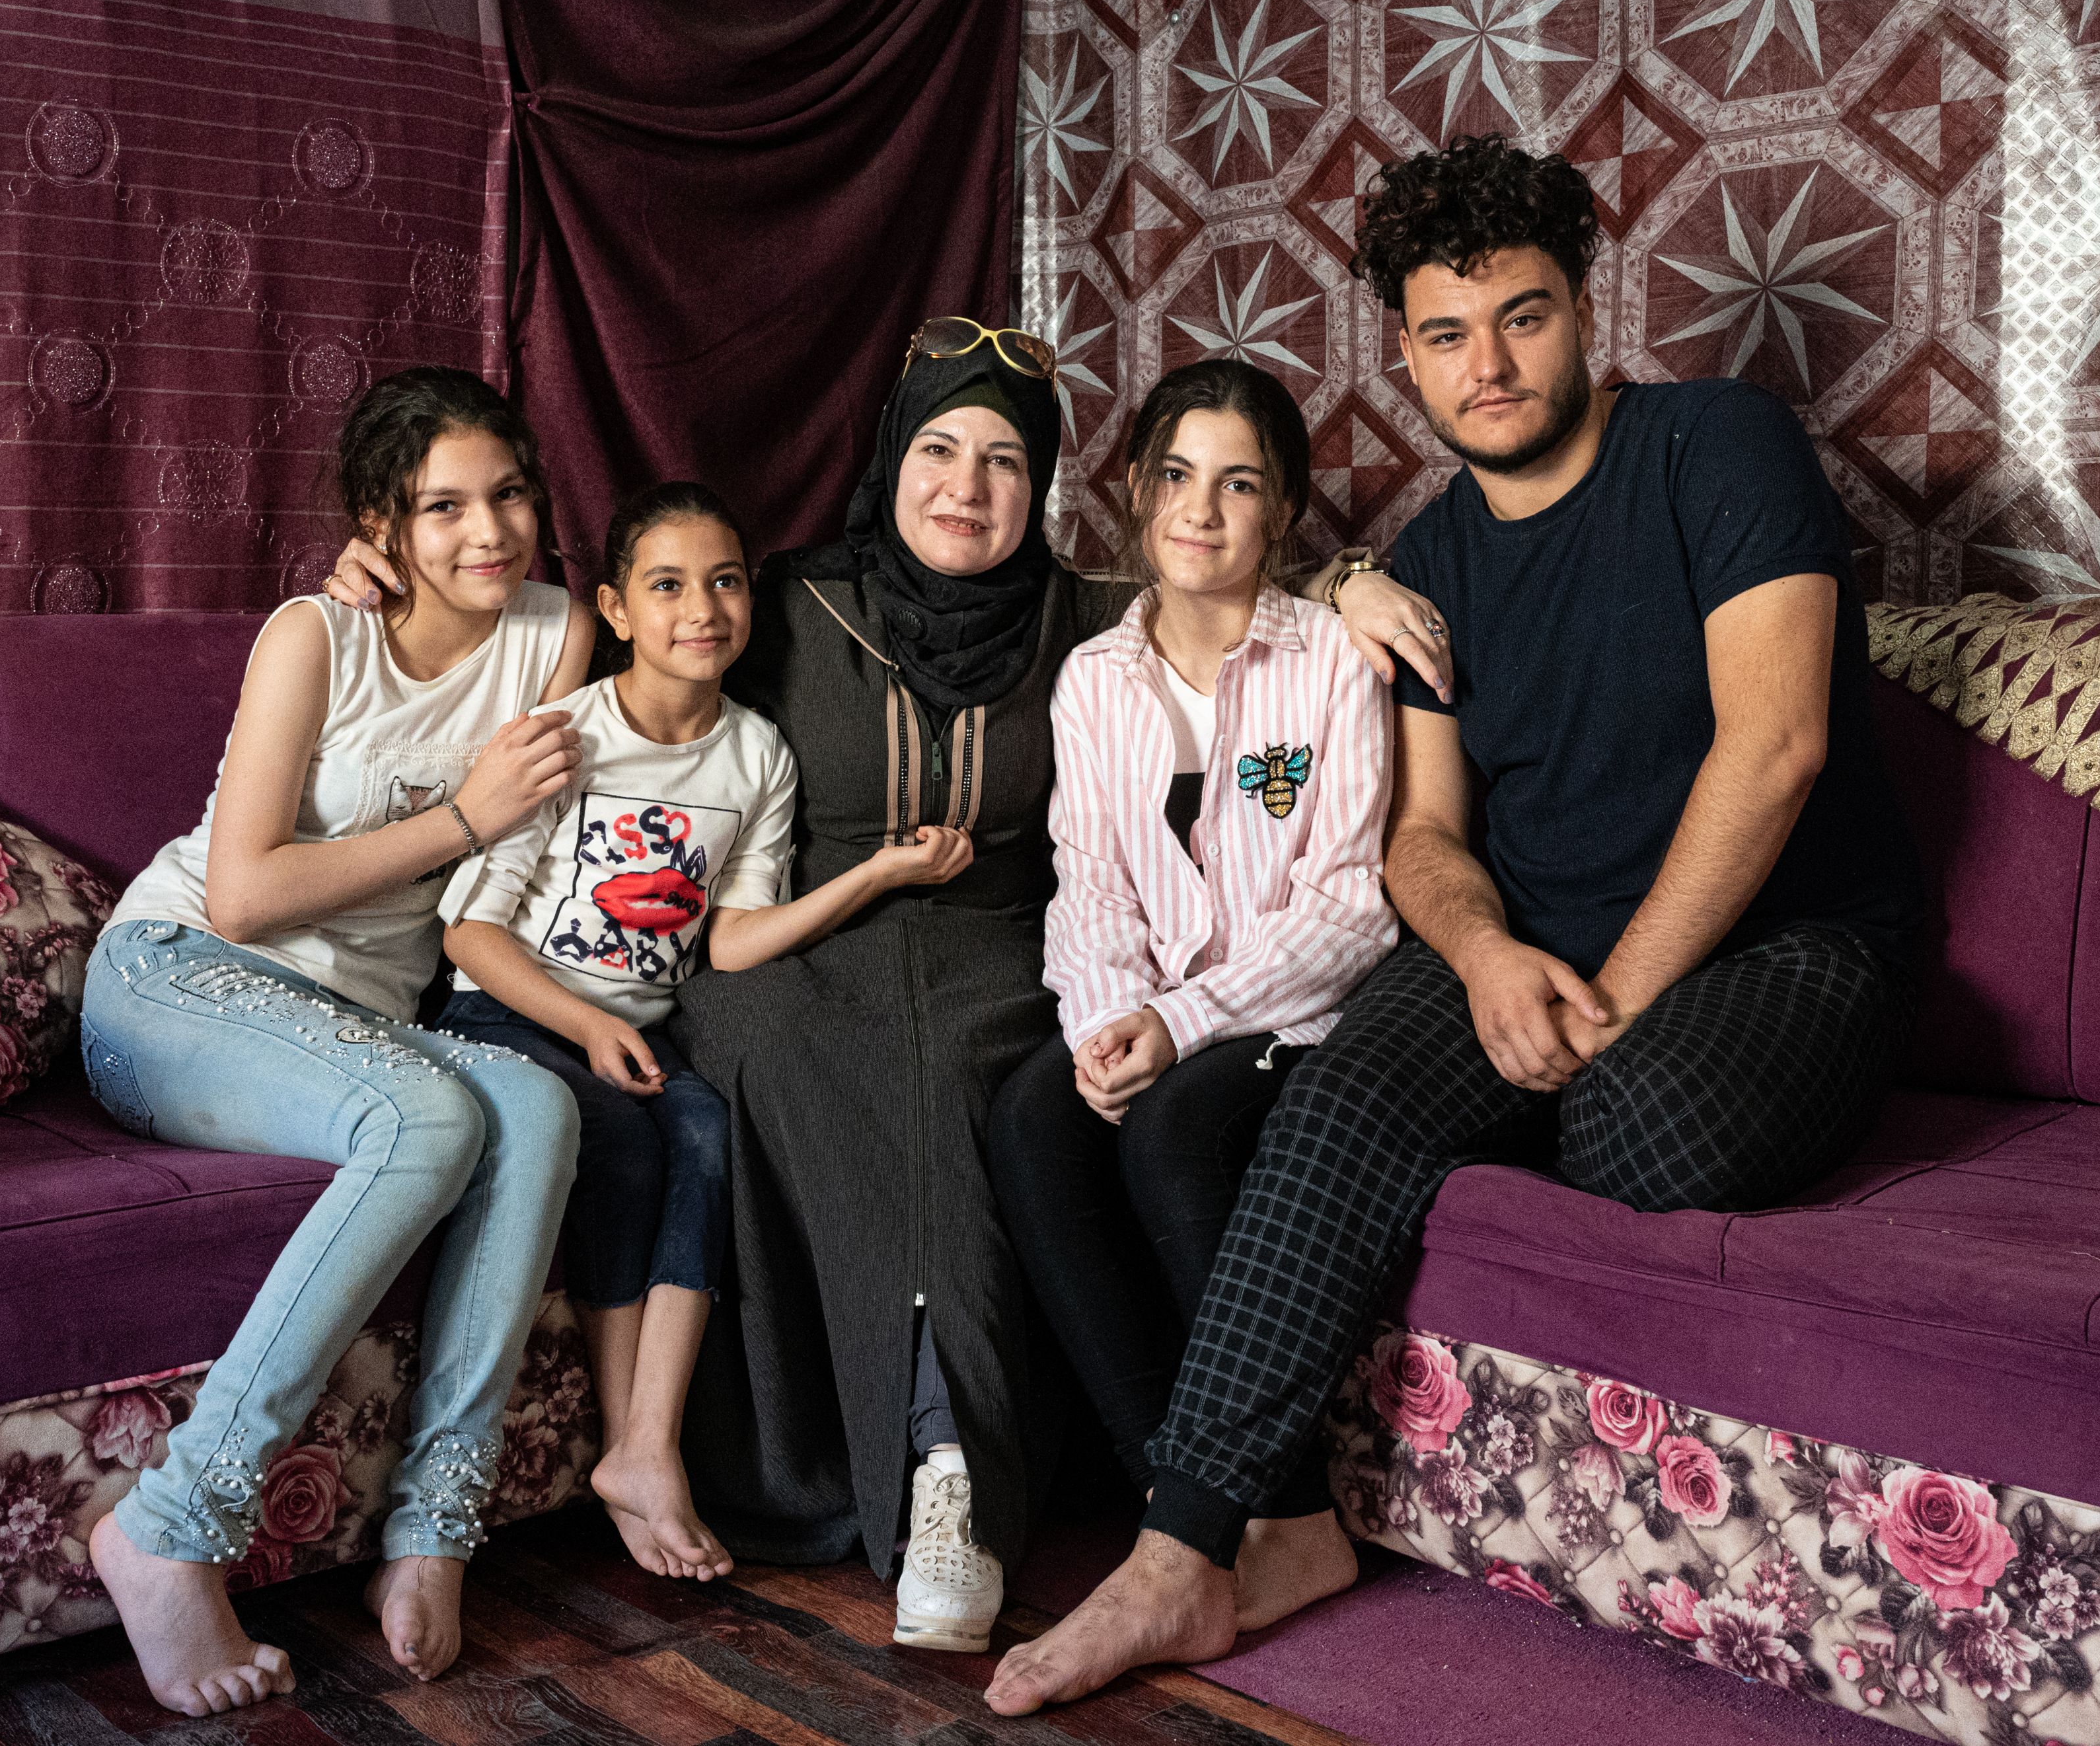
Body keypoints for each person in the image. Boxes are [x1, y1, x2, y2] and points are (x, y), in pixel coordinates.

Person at [324, 321, 1452, 1653]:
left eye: (999, 460)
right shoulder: (778, 600)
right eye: (935, 449)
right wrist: (392, 586)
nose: (964, 486)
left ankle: (965, 1481)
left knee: (977, 1075)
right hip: (793, 942)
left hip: (1006, 947)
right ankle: (924, 1459)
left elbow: (1215, 576)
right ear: (888, 459)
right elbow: (610, 649)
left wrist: (1353, 581)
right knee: (790, 1045)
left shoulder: (1088, 617)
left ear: (1041, 486)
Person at [988, 135, 1924, 1713]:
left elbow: (1776, 747)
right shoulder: (1419, 564)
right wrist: (1486, 958)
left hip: (1791, 937)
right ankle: (1190, 1549)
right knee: (1337, 1100)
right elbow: (1421, 837)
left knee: (1640, 1129)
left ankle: (1527, 1094)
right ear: (1401, 350)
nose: (1485, 366)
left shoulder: (1720, 447)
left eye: (1523, 316)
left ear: (1583, 307)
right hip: (1530, 945)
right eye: (1443, 332)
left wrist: (1609, 993)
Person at [83, 367, 597, 1714]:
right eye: (441, 507)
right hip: (176, 981)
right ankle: (168, 1525)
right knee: (430, 1118)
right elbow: (246, 890)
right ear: (385, 516)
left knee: (535, 1108)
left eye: (508, 494)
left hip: (351, 1026)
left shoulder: (554, 633)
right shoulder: (316, 632)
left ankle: (435, 1527)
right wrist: (464, 818)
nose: (486, 532)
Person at [429, 482, 974, 1589]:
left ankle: (641, 1447)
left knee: (707, 1131)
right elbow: (471, 934)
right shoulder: (563, 737)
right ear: (618, 610)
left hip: (633, 1031)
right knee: (627, 1140)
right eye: (668, 585)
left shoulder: (756, 757)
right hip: (515, 1009)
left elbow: (728, 943)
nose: (703, 608)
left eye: (726, 581)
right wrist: (585, 1023)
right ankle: (648, 1455)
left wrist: (877, 872)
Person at [986, 358, 1396, 1632]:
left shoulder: (1330, 658)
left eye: (1239, 486)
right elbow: (1088, 885)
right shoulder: (1097, 681)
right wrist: (1109, 1020)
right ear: (1135, 491)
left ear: (1283, 515)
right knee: (1034, 1115)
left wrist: (1182, 1022)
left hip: (1295, 1012)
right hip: (1152, 998)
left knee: (1173, 1128)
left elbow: (1354, 903)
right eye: (1176, 477)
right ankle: (1176, 1495)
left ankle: (1287, 1513)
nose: (1201, 512)